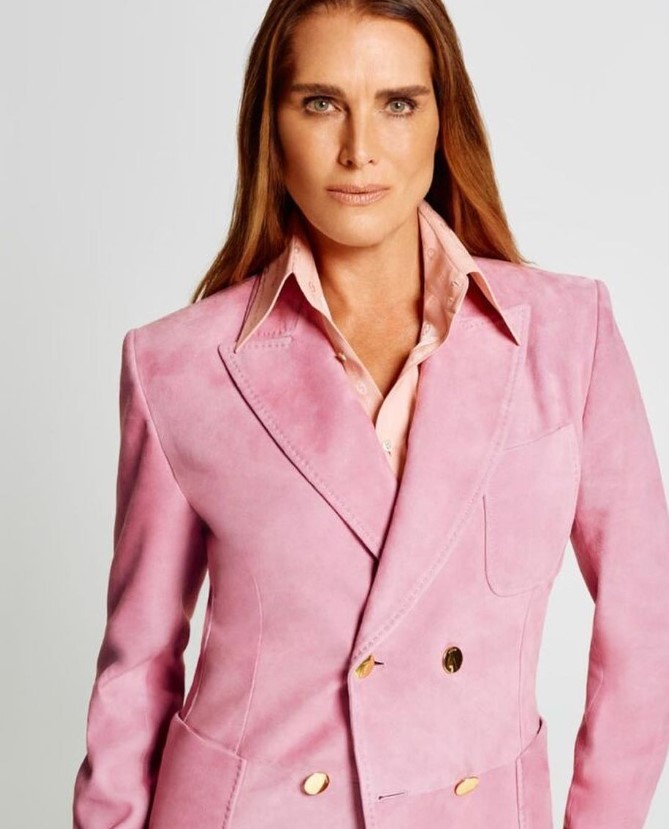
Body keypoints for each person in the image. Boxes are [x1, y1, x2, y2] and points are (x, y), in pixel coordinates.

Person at [72, 1, 669, 828]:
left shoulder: (567, 335)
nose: (359, 148)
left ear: (441, 121)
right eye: (320, 103)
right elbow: (136, 668)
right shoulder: (177, 365)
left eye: (397, 103)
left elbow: (647, 617)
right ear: (271, 125)